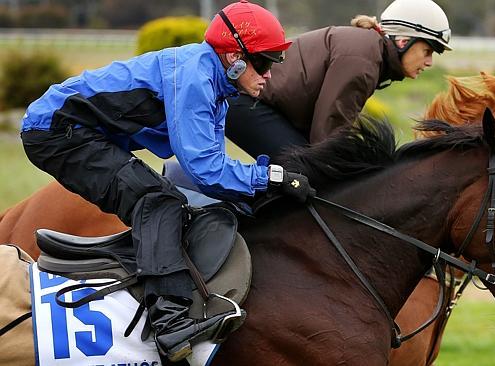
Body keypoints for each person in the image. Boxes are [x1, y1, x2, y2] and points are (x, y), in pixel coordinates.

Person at [20, 0, 312, 361]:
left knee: (169, 198)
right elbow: (205, 167)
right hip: (56, 131)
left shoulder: (217, 85)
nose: (269, 74)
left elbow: (206, 172)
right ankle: (169, 320)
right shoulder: (196, 78)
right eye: (264, 62)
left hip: (82, 132)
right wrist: (271, 176)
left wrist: (260, 193)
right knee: (156, 200)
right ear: (234, 56)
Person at [225, 0, 452, 161]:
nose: (429, 62)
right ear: (404, 41)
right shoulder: (364, 59)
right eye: (427, 51)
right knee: (307, 173)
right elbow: (328, 133)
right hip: (247, 103)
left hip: (258, 105)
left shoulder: (370, 51)